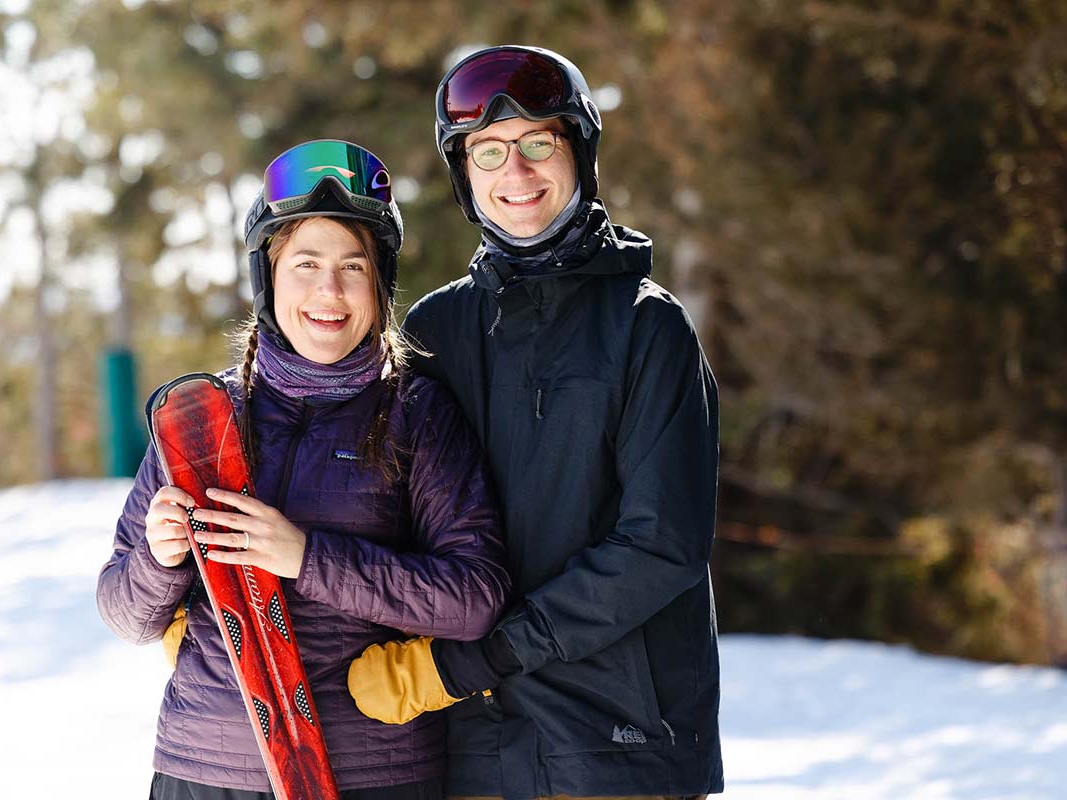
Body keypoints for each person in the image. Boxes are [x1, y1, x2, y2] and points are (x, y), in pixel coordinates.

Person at [347, 47, 722, 799]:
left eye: (537, 143)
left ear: (577, 151)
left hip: (618, 747)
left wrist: (477, 657)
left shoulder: (647, 328)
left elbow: (660, 546)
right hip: (470, 750)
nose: (514, 173)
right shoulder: (435, 330)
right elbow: (374, 513)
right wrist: (243, 614)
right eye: (488, 151)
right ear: (464, 173)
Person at [96, 139, 511, 800]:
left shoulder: (420, 415)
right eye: (306, 264)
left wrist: (307, 556)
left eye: (353, 265)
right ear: (269, 276)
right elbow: (125, 614)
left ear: (380, 282)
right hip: (202, 773)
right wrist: (157, 556)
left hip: (369, 777)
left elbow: (474, 597)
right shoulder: (198, 420)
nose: (330, 290)